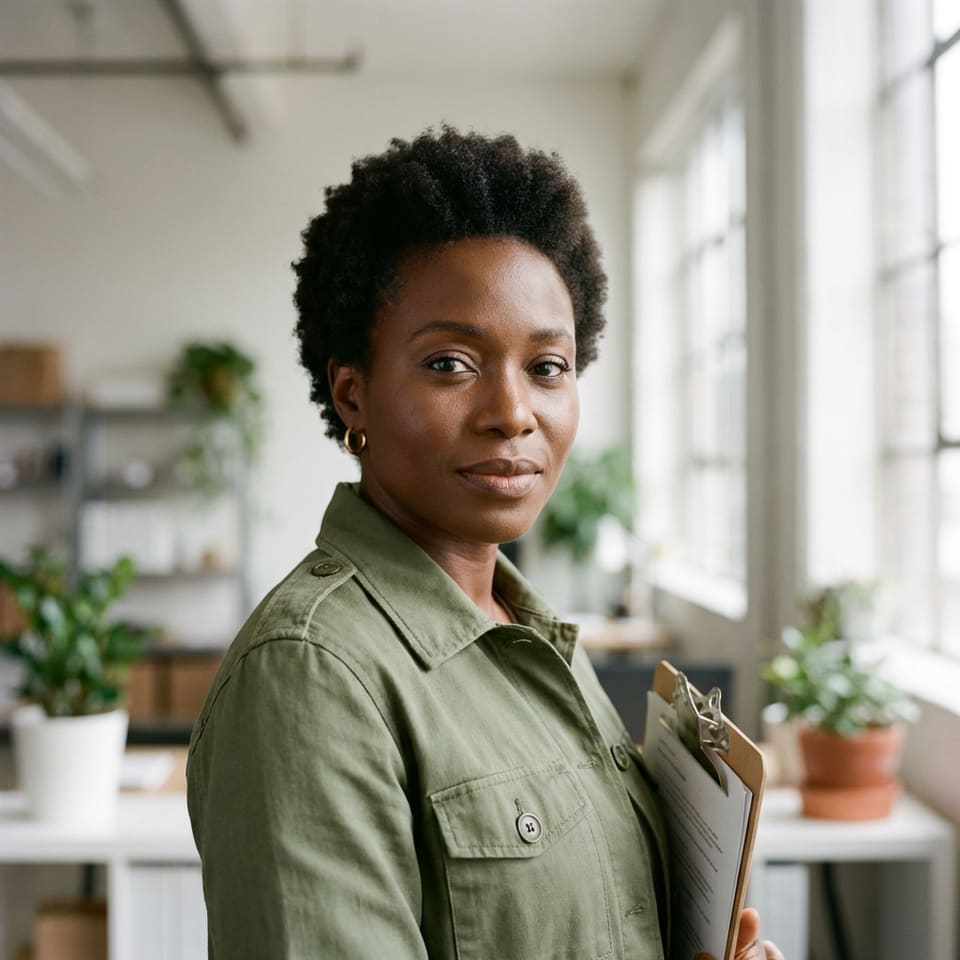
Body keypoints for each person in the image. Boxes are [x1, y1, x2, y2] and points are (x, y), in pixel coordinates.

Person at [186, 126, 782, 960]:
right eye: (450, 364)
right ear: (352, 394)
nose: (513, 412)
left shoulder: (537, 639)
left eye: (548, 367)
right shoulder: (312, 674)